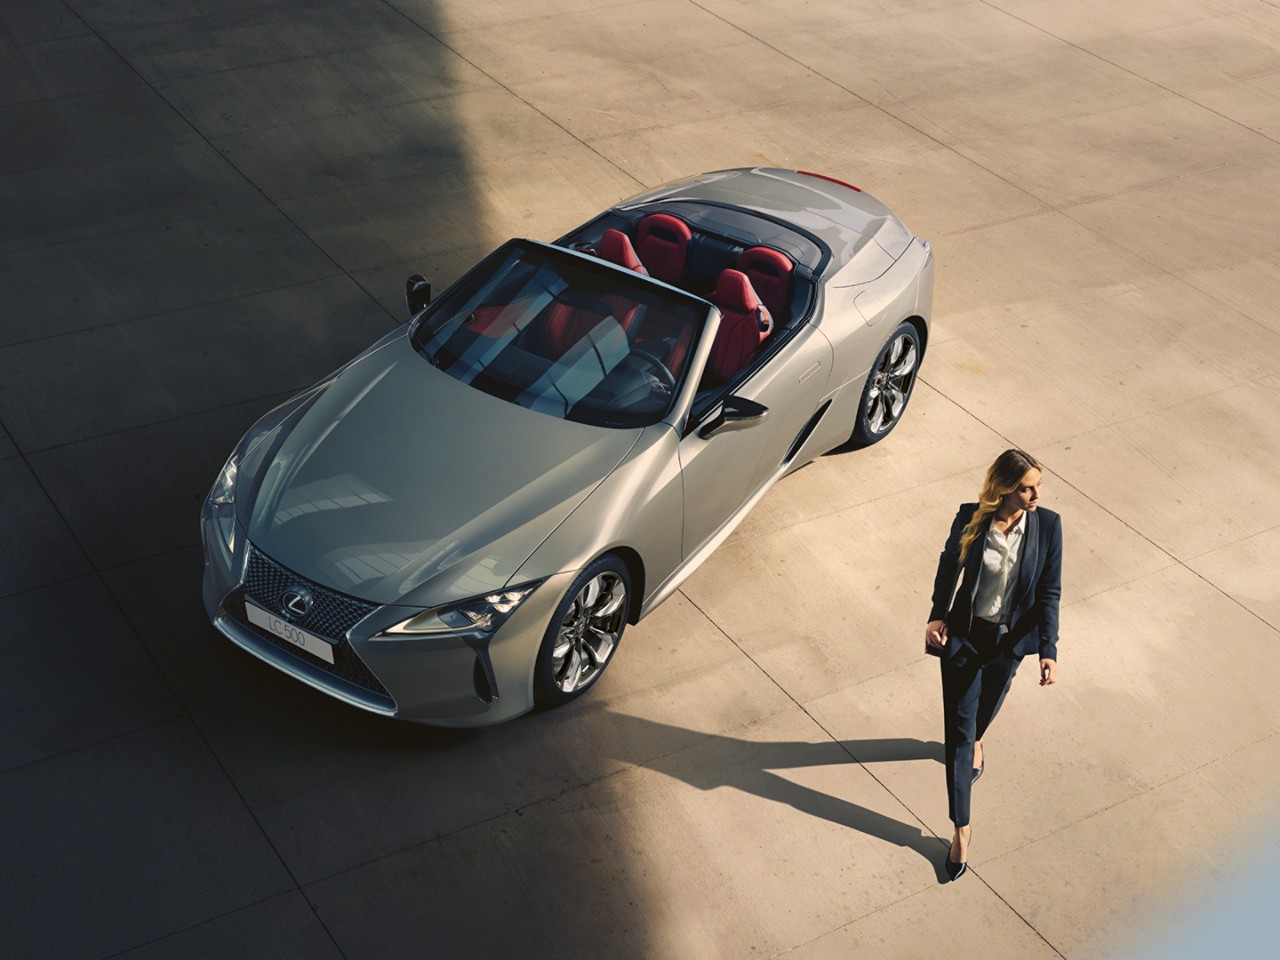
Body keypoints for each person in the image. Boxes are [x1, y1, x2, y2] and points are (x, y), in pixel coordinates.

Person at [924, 448, 1062, 881]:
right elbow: (949, 567)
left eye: (1037, 485)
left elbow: (1049, 593)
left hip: (1010, 645)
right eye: (1026, 487)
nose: (1035, 494)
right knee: (959, 738)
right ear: (1004, 488)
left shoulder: (1049, 526)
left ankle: (979, 737)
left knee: (983, 716)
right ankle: (961, 828)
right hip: (966, 640)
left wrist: (1048, 650)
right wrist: (936, 613)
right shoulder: (971, 517)